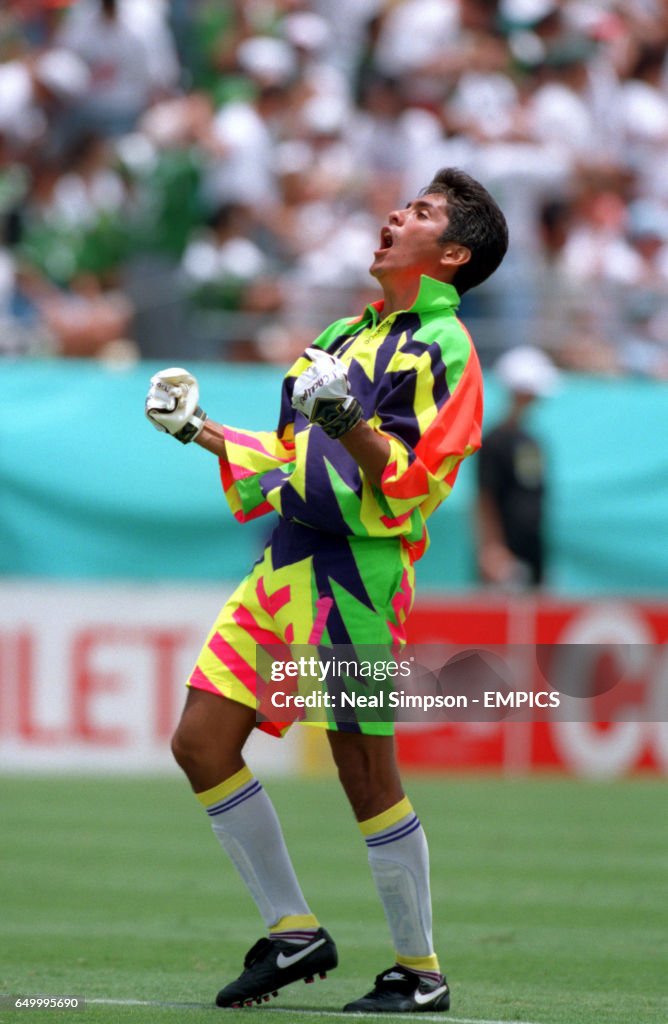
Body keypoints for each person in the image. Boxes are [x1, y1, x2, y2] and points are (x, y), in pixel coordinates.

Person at [144, 167, 508, 1013]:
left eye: (419, 213)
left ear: (452, 254)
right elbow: (287, 459)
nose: (394, 214)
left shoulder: (448, 349)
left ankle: (421, 974)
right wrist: (195, 429)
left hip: (357, 576)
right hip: (285, 566)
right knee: (200, 741)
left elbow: (417, 480)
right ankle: (294, 933)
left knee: (362, 767)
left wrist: (349, 423)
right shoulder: (342, 334)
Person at [476, 345, 558, 588]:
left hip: (533, 551)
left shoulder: (532, 441)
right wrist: (492, 548)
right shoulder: (494, 440)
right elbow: (485, 497)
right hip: (505, 556)